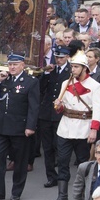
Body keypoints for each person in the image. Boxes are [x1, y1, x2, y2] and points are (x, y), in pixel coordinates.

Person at [51, 51, 100, 200]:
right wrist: (59, 106)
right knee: (62, 161)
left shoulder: (95, 86)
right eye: (72, 66)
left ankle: (84, 196)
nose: (72, 69)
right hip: (66, 127)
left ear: (84, 68)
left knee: (83, 164)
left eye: (75, 67)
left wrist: (94, 129)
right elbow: (60, 108)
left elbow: (98, 110)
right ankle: (62, 197)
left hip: (84, 127)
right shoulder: (65, 83)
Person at [0, 53, 40, 200]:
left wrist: (30, 126)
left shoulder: (30, 82)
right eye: (10, 64)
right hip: (1, 127)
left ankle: (16, 191)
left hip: (19, 128)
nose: (12, 67)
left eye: (15, 64)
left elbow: (33, 107)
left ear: (23, 65)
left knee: (20, 162)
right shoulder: (4, 80)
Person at [39, 44, 73, 189]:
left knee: (60, 146)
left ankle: (63, 175)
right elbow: (41, 89)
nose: (58, 60)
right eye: (57, 57)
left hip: (61, 113)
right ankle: (51, 176)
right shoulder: (50, 70)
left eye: (61, 57)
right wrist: (46, 74)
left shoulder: (71, 71)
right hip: (47, 113)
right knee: (48, 148)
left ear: (67, 57)